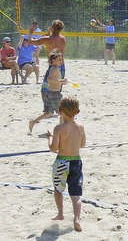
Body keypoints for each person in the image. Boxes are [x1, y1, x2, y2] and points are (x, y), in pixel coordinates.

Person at [46, 97, 85, 232]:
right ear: (77, 111)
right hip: (76, 161)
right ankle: (77, 219)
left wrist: (49, 137)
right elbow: (83, 144)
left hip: (62, 161)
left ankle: (61, 214)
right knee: (76, 195)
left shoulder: (59, 128)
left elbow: (53, 148)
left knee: (58, 190)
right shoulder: (80, 126)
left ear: (60, 111)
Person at [28, 51, 67, 135]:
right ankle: (61, 130)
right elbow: (49, 79)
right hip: (54, 94)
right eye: (59, 59)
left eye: (61, 59)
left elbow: (53, 80)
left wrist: (61, 82)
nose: (61, 61)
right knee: (62, 113)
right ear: (53, 61)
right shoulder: (54, 69)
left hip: (51, 93)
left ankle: (33, 122)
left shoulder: (55, 69)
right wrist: (61, 81)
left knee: (49, 113)